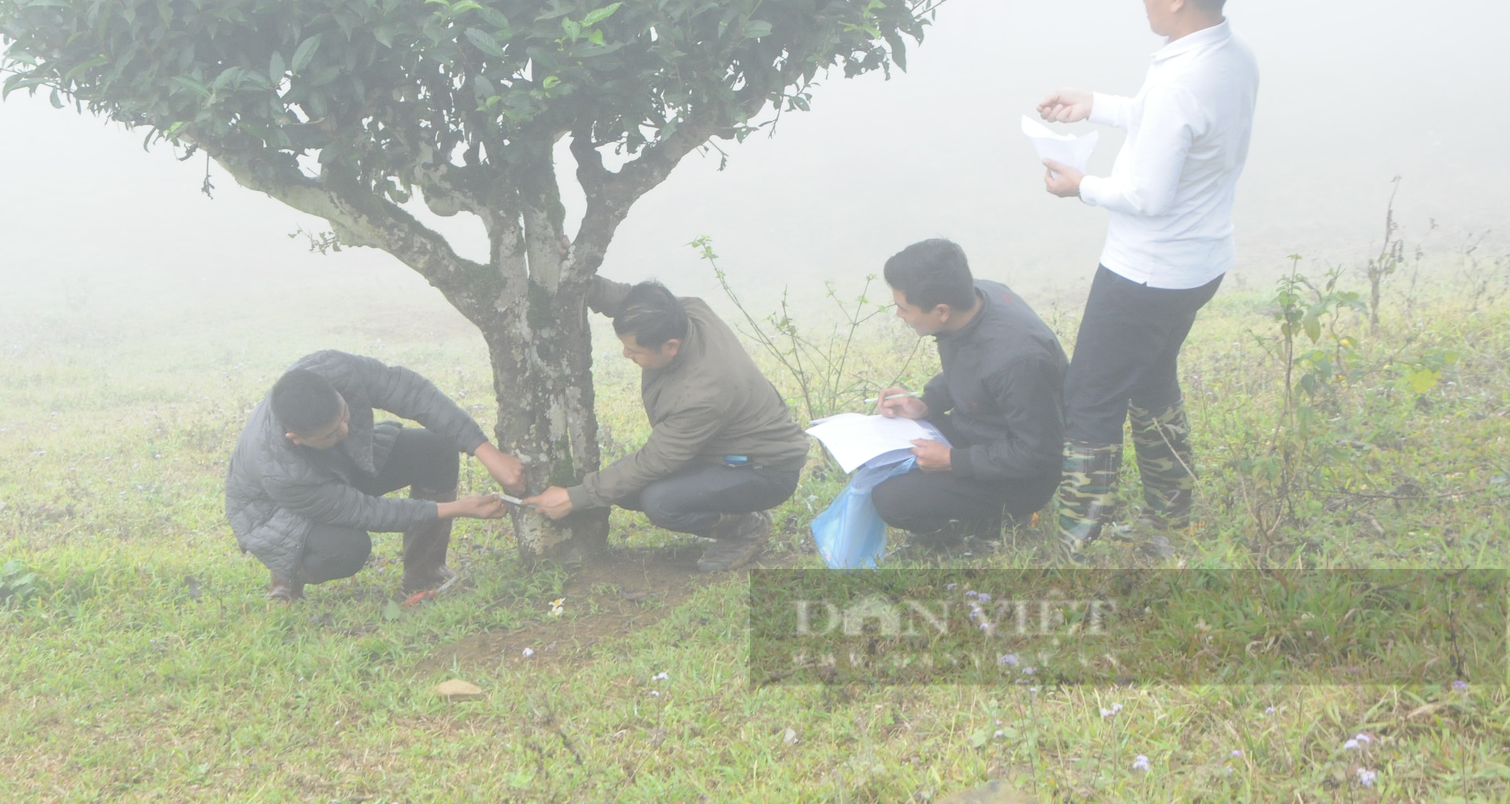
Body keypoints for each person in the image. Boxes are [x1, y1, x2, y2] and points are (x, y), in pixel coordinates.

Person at [1036, 0, 1258, 552]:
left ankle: (1080, 537)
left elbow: (1147, 196)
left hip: (1146, 271)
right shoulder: (1231, 58)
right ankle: (1174, 510)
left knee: (1091, 397)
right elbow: (1178, 126)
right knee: (1154, 379)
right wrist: (1097, 104)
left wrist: (1080, 185)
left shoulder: (1181, 80)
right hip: (1199, 261)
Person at [525, 277, 808, 572]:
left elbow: (655, 461)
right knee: (623, 488)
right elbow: (634, 303)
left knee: (660, 502)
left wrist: (574, 498)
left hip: (766, 469)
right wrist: (584, 281)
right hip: (719, 453)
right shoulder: (687, 314)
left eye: (634, 350)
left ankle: (746, 527)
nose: (626, 354)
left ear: (671, 346)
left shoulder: (703, 392)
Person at [224, 351, 525, 601]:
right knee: (347, 549)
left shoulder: (333, 369)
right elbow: (365, 511)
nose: (344, 430)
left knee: (436, 449)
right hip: (281, 511)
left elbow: (411, 392)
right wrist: (459, 508)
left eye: (344, 415)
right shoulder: (281, 471)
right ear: (297, 438)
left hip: (342, 464)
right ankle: (287, 572)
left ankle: (424, 571)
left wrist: (486, 452)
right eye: (331, 432)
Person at [872, 239, 1067, 544]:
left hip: (1023, 476)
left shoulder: (1018, 361)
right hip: (980, 431)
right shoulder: (977, 298)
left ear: (941, 311)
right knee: (882, 445)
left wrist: (952, 460)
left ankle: (980, 526)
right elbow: (970, 367)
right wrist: (925, 404)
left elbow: (1039, 453)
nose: (899, 315)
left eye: (904, 308)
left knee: (892, 500)